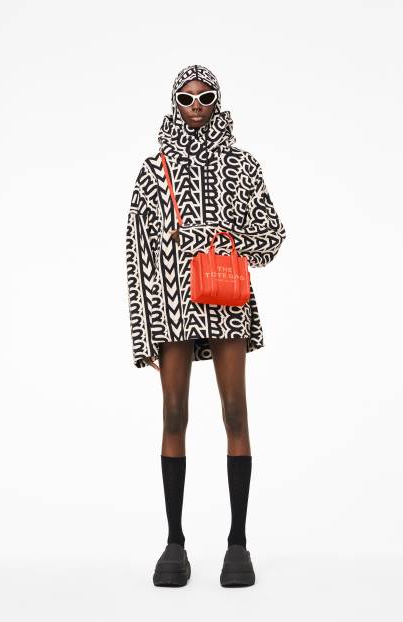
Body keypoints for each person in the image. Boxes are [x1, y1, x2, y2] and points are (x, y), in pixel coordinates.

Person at [125, 64, 286, 587]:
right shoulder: (154, 171)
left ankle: (238, 543)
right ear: (174, 102)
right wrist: (142, 331)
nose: (196, 105)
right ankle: (174, 541)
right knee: (174, 412)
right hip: (171, 301)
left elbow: (272, 234)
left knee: (235, 409)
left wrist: (226, 238)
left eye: (206, 96)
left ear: (218, 101)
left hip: (226, 297)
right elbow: (136, 253)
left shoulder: (242, 165)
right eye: (186, 97)